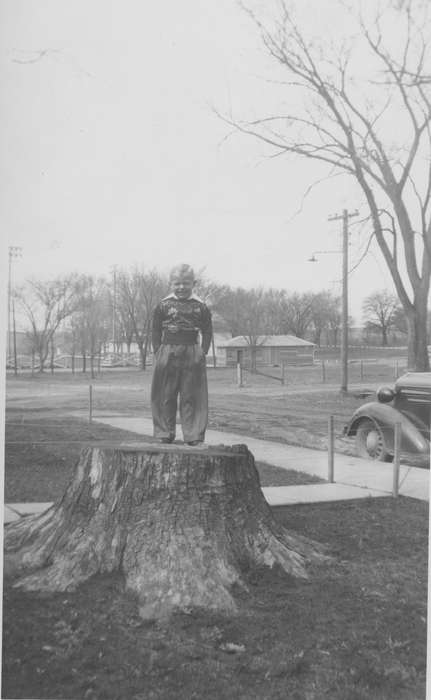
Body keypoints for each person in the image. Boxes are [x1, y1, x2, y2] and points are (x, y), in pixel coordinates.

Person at [150, 264, 212, 445]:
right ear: (170, 283)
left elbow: (207, 331)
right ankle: (164, 433)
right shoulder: (162, 305)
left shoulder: (201, 307)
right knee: (164, 394)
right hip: (167, 349)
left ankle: (193, 435)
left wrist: (203, 351)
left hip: (192, 350)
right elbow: (155, 330)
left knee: (192, 395)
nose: (181, 287)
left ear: (194, 283)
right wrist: (157, 350)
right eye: (177, 283)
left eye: (186, 283)